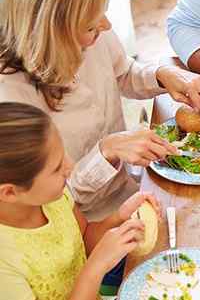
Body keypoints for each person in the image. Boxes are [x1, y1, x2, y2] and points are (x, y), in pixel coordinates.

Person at [0, 0, 200, 220]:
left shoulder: (93, 35)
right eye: (90, 24)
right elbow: (49, 202)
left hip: (131, 187)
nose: (106, 25)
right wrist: (106, 151)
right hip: (84, 224)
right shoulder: (10, 102)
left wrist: (162, 74)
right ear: (52, 32)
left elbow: (123, 73)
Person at [0, 102, 159, 300]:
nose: (70, 166)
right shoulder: (4, 268)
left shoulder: (54, 198)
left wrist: (119, 216)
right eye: (57, 168)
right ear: (9, 193)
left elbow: (84, 238)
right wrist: (97, 265)